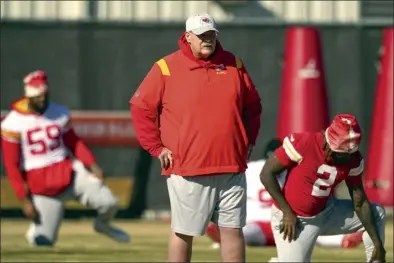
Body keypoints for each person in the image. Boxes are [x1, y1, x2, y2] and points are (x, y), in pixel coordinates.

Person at [130, 13, 262, 262]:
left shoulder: (235, 64)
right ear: (188, 37)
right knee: (184, 232)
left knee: (232, 231)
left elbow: (252, 107)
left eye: (212, 35)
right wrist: (156, 148)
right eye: (202, 36)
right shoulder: (166, 67)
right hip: (188, 168)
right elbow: (141, 108)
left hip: (231, 166)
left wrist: (249, 140)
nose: (208, 40)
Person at [1, 70, 130, 246]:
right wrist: (24, 199)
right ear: (28, 95)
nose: (42, 99)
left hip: (69, 173)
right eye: (38, 96)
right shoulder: (13, 122)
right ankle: (38, 228)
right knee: (44, 242)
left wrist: (92, 165)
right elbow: (12, 164)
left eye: (45, 95)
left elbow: (74, 143)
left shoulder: (58, 112)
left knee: (109, 203)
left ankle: (103, 225)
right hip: (41, 186)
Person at [260, 114, 386, 262]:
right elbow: (266, 173)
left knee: (376, 213)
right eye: (341, 154)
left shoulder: (353, 158)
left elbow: (360, 202)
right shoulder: (305, 143)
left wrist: (377, 242)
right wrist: (287, 212)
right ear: (328, 143)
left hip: (326, 211)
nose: (346, 159)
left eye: (350, 154)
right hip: (295, 218)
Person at [206, 139, 364, 253]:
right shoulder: (294, 170)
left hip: (262, 223)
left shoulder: (251, 169)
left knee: (245, 231)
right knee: (314, 233)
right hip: (289, 221)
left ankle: (224, 233)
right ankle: (342, 239)